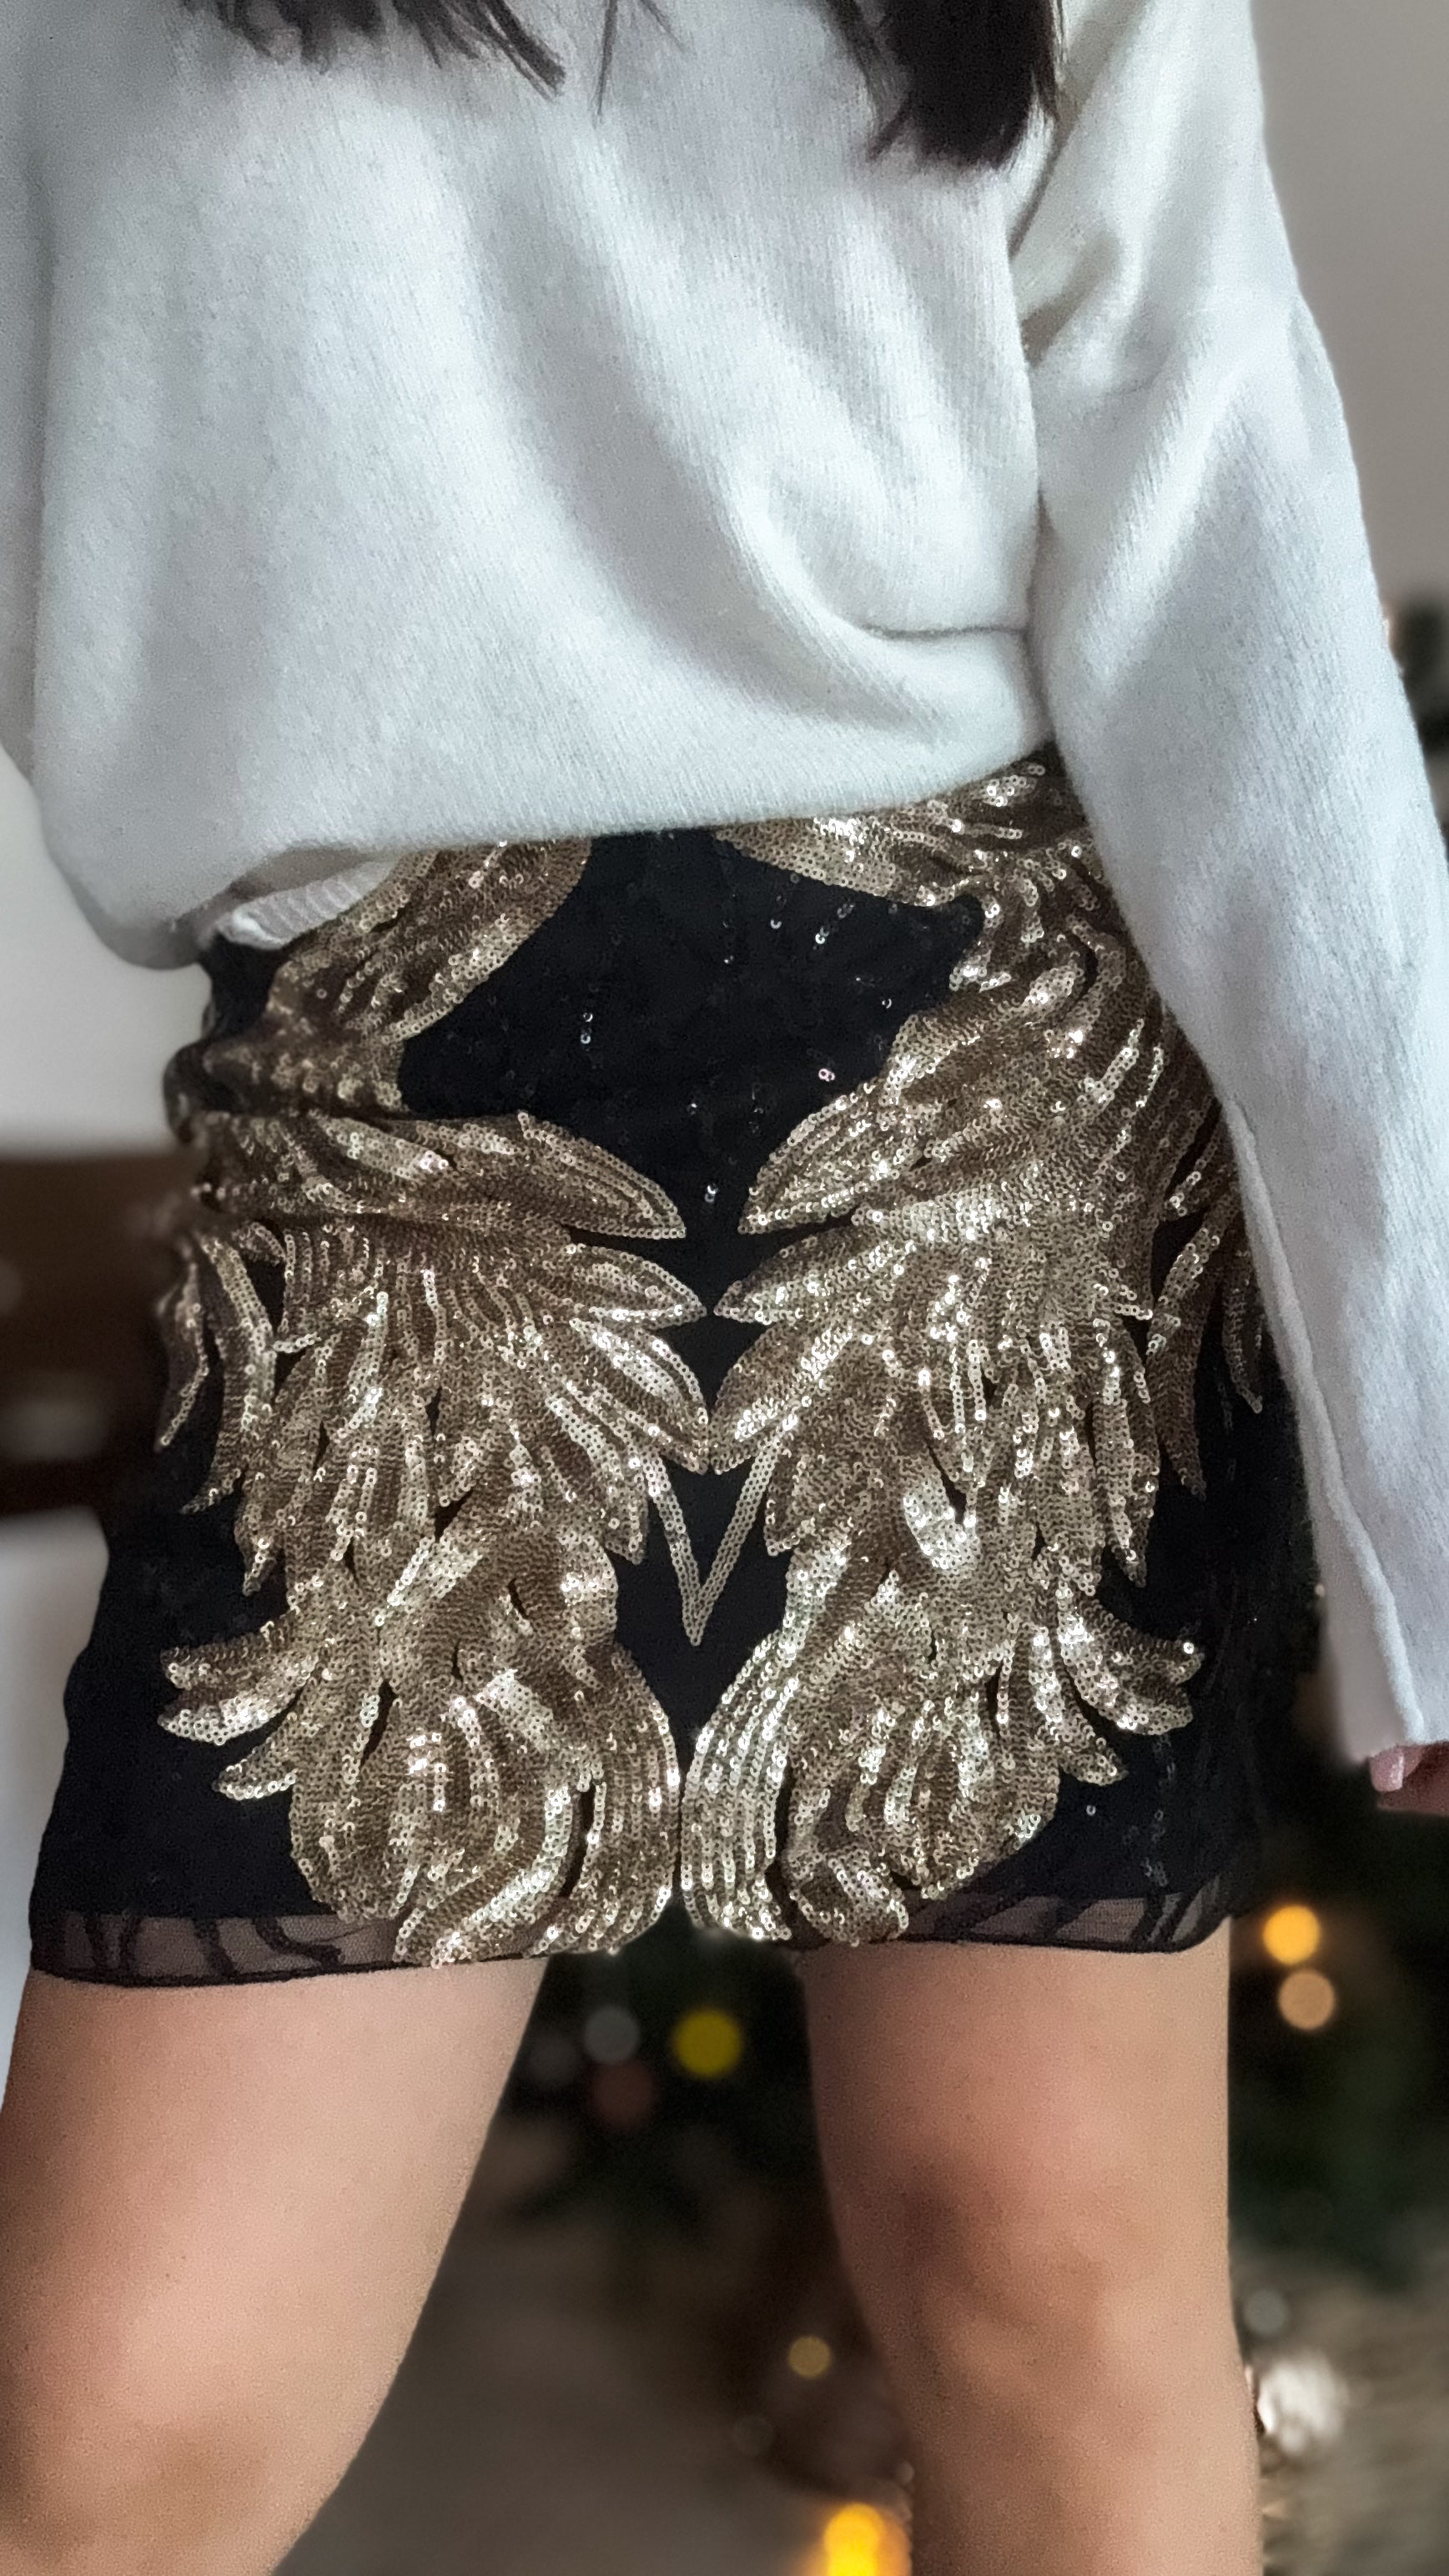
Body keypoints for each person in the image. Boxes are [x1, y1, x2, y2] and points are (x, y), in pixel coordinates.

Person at [0, 0, 1445, 2568]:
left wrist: (1433, 1460)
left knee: (1041, 2296)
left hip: (987, 1157)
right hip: (381, 1175)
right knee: (103, 2445)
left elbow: (1239, 602)